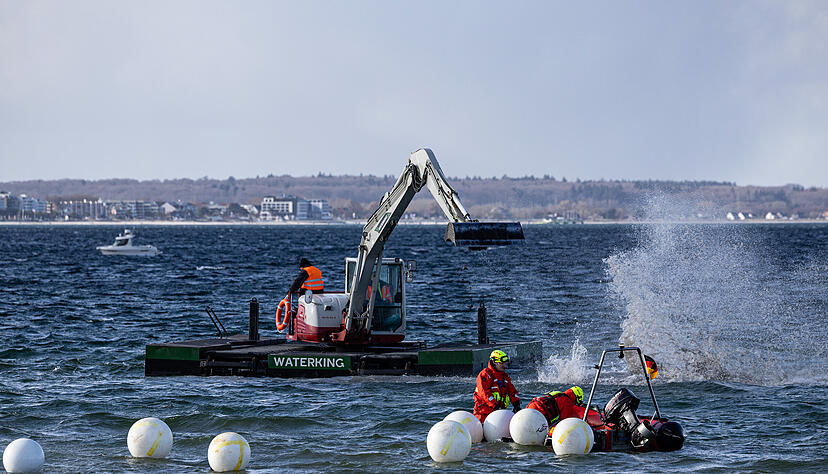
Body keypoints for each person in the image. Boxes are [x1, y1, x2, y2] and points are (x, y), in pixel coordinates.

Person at [473, 350, 520, 424]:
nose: (504, 365)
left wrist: (516, 404)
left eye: (504, 363)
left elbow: (512, 391)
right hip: (483, 415)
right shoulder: (485, 375)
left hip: (499, 415)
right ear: (494, 362)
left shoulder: (505, 377)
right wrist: (495, 406)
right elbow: (484, 393)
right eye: (501, 363)